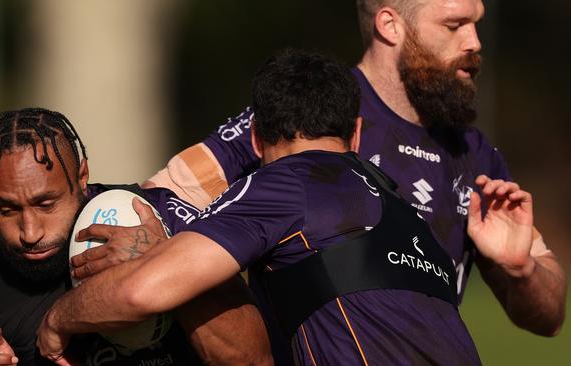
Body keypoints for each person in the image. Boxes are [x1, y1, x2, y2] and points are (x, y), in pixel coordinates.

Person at [34, 48, 514, 365]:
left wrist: (57, 320)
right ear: (358, 136)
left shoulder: (283, 183)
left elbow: (141, 292)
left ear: (257, 138)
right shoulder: (405, 213)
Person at [146, 0, 566, 343]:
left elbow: (548, 318)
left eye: (476, 23)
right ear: (391, 25)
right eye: (454, 25)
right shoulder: (311, 108)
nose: (473, 42)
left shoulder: (476, 154)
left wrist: (522, 270)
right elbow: (163, 193)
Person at [0, 108, 272, 366]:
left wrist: (167, 265)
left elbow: (254, 360)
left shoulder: (158, 219)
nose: (30, 232)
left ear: (82, 176)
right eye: (7, 210)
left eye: (46, 203)